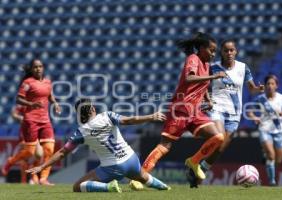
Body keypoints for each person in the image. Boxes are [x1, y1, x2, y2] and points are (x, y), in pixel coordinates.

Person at [130, 32, 227, 190]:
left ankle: (194, 161)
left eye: (215, 51)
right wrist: (214, 77)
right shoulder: (193, 59)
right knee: (165, 146)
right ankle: (139, 178)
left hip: (195, 113)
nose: (213, 54)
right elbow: (189, 79)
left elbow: (203, 87)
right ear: (201, 48)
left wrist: (208, 101)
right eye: (211, 50)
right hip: (180, 110)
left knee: (218, 137)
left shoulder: (207, 65)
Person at [26, 98, 170, 193]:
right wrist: (151, 116)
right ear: (91, 110)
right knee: (143, 177)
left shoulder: (81, 132)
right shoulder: (108, 115)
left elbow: (63, 152)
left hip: (113, 167)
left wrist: (42, 166)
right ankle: (165, 187)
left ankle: (109, 187)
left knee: (77, 187)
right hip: (132, 159)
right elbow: (129, 120)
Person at [187, 39, 264, 187]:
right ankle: (195, 162)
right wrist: (207, 100)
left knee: (220, 148)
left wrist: (258, 89)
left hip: (234, 114)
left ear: (236, 51)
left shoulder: (243, 68)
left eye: (232, 50)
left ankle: (199, 169)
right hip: (217, 109)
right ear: (221, 52)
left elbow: (251, 88)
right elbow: (201, 86)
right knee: (219, 138)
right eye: (226, 50)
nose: (229, 53)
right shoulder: (213, 67)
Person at [1, 59, 61, 185]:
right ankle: (11, 162)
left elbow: (50, 95)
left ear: (43, 68)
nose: (38, 69)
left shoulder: (48, 82)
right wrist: (31, 104)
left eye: (40, 66)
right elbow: (18, 99)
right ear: (32, 69)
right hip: (31, 120)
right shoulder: (27, 83)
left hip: (45, 120)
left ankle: (43, 178)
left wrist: (55, 103)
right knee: (31, 152)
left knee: (49, 150)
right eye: (35, 67)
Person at [247, 75, 282, 186]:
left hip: (278, 131)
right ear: (265, 86)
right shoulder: (260, 99)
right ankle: (272, 181)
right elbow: (249, 111)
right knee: (271, 155)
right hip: (265, 129)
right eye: (268, 84)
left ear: (276, 86)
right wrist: (254, 117)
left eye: (272, 84)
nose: (270, 86)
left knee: (278, 160)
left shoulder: (281, 98)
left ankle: (266, 157)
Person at [9, 104, 44, 184]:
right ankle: (24, 180)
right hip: (25, 134)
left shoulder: (37, 103)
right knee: (25, 158)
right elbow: (13, 113)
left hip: (35, 132)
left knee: (37, 155)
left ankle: (33, 177)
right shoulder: (23, 104)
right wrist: (20, 117)